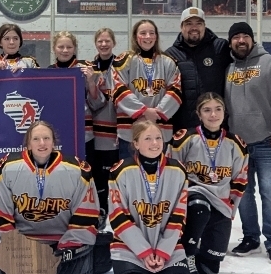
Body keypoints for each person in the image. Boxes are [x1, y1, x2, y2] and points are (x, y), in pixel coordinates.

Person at [0, 121, 99, 274]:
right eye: (36, 139)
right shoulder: (6, 168)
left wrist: (68, 245)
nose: (42, 143)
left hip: (61, 242)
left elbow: (85, 214)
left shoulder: (76, 170)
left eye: (46, 138)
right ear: (28, 143)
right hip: (22, 243)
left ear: (54, 142)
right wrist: (10, 247)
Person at [224, 22, 271, 264]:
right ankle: (251, 238)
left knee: (269, 193)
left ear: (252, 39)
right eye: (236, 37)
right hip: (238, 144)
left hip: (267, 141)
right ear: (231, 41)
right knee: (243, 194)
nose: (241, 40)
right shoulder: (227, 67)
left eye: (245, 36)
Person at [108, 120, 190, 274]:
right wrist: (143, 252)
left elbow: (179, 215)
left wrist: (163, 251)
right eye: (148, 139)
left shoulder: (178, 170)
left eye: (158, 138)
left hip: (168, 248)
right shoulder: (120, 171)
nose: (155, 143)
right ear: (135, 143)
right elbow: (118, 216)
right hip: (130, 249)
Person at [168, 93, 248, 274]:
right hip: (193, 194)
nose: (213, 114)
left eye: (218, 109)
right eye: (207, 110)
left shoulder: (235, 143)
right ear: (199, 113)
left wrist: (231, 210)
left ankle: (199, 256)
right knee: (198, 207)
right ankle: (187, 255)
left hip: (220, 201)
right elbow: (171, 171)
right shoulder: (185, 138)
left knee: (210, 269)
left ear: (224, 112)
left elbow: (240, 180)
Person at [112, 19, 182, 159]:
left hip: (160, 129)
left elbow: (176, 90)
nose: (148, 37)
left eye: (151, 33)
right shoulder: (123, 60)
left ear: (156, 36)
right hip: (130, 131)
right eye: (143, 33)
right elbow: (118, 89)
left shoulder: (168, 61)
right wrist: (144, 112)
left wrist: (157, 113)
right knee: (130, 172)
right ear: (135, 36)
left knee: (159, 174)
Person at [165, 7, 232, 132]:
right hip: (184, 128)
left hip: (217, 127)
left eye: (198, 23)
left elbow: (244, 58)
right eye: (189, 24)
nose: (194, 28)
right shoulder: (170, 55)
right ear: (181, 27)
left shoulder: (220, 48)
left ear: (204, 26)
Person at [48, 31, 103, 162]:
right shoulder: (48, 72)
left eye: (69, 47)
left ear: (75, 49)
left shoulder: (86, 70)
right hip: (58, 132)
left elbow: (98, 104)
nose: (65, 50)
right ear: (54, 49)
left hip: (84, 133)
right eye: (61, 47)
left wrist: (90, 81)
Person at [89, 28, 119, 210]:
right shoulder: (90, 69)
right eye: (100, 41)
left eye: (107, 41)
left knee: (114, 177)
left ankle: (114, 214)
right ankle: (100, 213)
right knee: (98, 178)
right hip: (96, 134)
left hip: (116, 133)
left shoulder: (122, 66)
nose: (104, 44)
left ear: (113, 43)